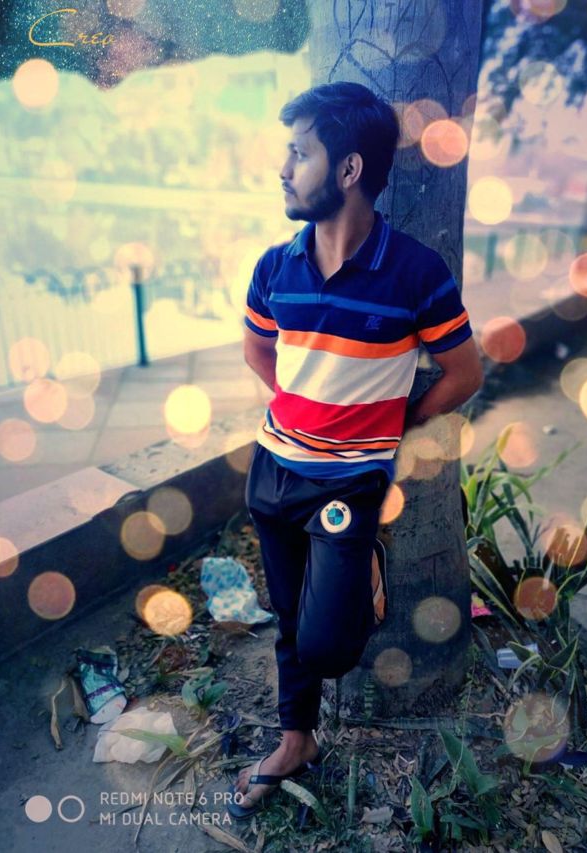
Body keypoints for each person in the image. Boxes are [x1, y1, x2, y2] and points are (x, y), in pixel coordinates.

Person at [229, 81, 483, 818]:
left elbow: (464, 373)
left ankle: (363, 562)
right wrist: (306, 412)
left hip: (347, 489)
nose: (284, 168)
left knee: (330, 647)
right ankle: (296, 739)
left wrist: (392, 425)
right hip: (273, 471)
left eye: (300, 153)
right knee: (287, 617)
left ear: (347, 169)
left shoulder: (415, 272)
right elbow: (257, 349)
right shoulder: (275, 266)